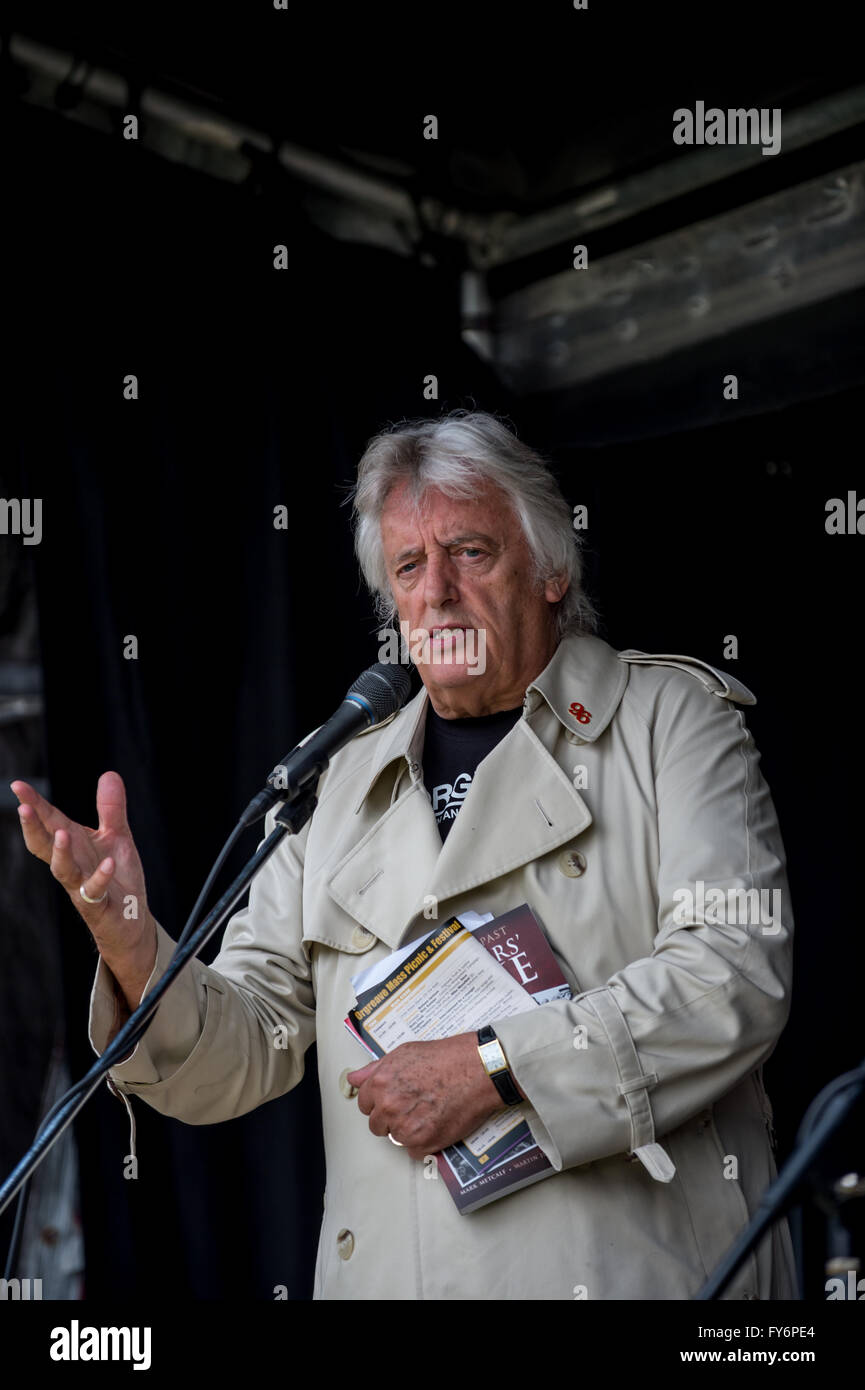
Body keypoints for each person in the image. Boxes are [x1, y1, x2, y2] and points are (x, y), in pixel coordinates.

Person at [12, 410, 797, 1300]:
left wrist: (496, 1067)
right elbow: (245, 1048)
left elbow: (731, 976)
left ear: (550, 570)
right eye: (409, 568)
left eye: (470, 553)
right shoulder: (338, 778)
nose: (437, 594)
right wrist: (131, 943)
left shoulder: (670, 721)